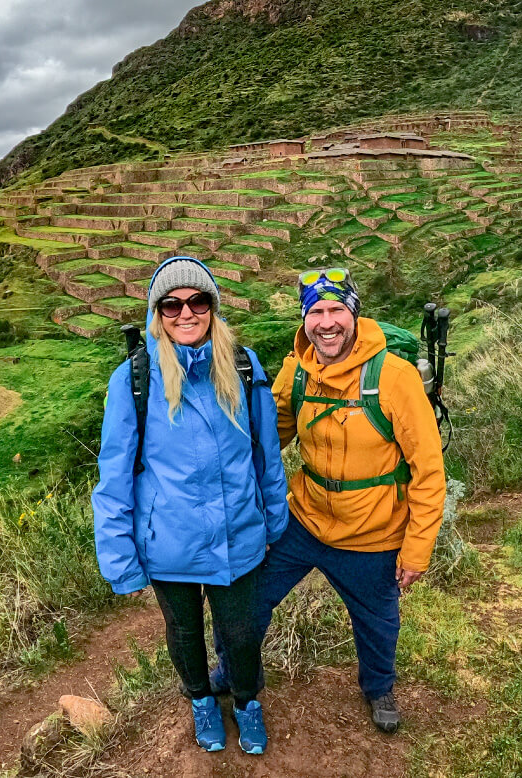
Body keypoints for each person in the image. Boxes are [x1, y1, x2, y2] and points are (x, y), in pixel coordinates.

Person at [213, 267, 445, 733]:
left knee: (378, 623)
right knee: (245, 601)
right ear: (304, 320)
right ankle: (238, 672)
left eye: (336, 308)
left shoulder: (394, 378)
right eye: (316, 311)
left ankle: (379, 687)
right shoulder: (295, 371)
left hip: (373, 530)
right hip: (304, 519)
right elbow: (263, 438)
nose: (326, 321)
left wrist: (416, 549)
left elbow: (428, 470)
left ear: (354, 313)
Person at [92, 256, 288, 755]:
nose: (186, 313)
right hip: (169, 540)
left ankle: (246, 703)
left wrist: (273, 517)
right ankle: (201, 701)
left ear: (213, 307)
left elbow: (265, 452)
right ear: (157, 313)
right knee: (183, 632)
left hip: (238, 530)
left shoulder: (243, 365)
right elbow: (114, 475)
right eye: (172, 304)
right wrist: (119, 558)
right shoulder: (134, 379)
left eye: (198, 301)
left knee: (242, 633)